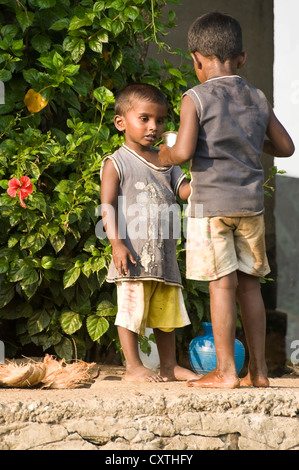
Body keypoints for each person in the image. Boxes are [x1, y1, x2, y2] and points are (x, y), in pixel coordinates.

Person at [159, 12, 295, 389]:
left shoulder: (195, 97)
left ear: (196, 60)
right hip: (250, 206)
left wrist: (166, 153)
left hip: (210, 208)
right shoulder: (256, 95)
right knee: (250, 287)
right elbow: (285, 147)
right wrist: (249, 141)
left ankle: (224, 372)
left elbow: (184, 151)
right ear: (242, 58)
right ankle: (260, 372)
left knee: (221, 286)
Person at [100, 83, 198, 383]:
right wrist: (116, 244)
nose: (153, 127)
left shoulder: (167, 161)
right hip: (132, 255)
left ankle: (168, 367)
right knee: (131, 311)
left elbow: (185, 192)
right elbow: (107, 206)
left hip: (164, 257)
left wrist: (209, 174)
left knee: (166, 318)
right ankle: (133, 366)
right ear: (121, 122)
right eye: (144, 118)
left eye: (159, 120)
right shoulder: (116, 162)